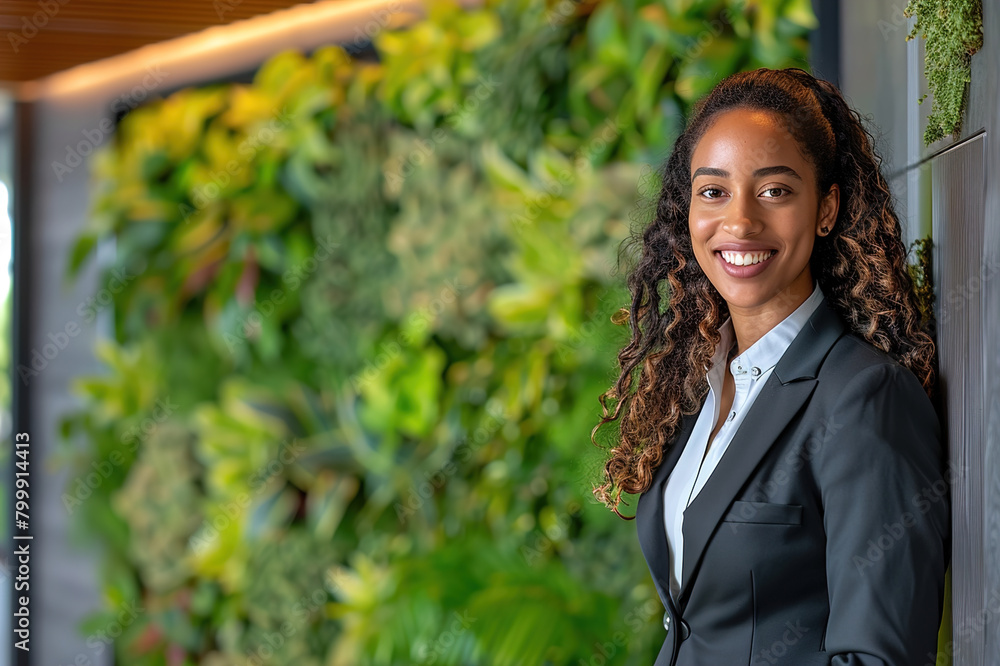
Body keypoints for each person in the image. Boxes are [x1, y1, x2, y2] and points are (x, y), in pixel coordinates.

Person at [591, 67, 951, 666]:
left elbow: (878, 658)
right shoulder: (699, 391)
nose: (739, 222)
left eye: (775, 190)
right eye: (713, 191)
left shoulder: (863, 399)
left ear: (826, 207)